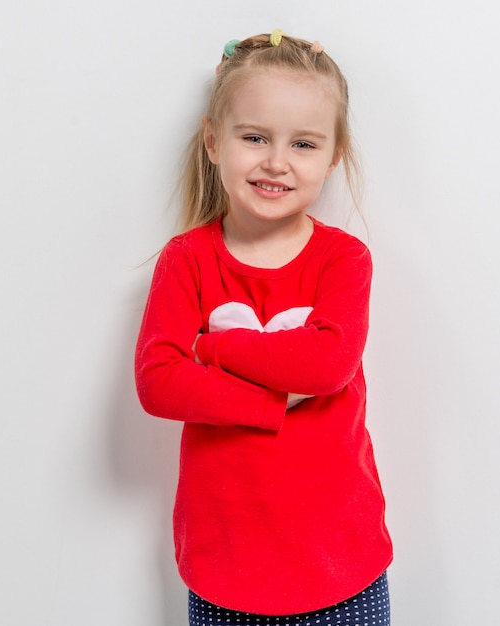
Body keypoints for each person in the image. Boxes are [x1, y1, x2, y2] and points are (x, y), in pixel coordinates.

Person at [135, 29, 393, 626]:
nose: (276, 161)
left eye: (303, 143)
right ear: (213, 141)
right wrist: (277, 401)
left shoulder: (343, 260)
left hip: (341, 564)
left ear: (333, 155)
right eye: (255, 137)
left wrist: (210, 346)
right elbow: (158, 382)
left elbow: (327, 366)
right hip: (225, 567)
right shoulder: (188, 260)